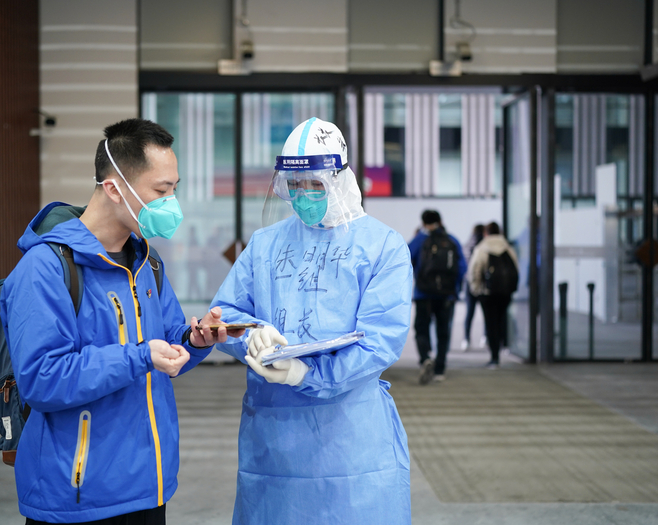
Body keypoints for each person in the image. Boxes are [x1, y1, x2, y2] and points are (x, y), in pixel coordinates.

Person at [0, 118, 241, 524]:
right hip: (78, 498)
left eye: (175, 189)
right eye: (161, 191)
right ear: (113, 188)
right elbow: (43, 379)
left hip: (149, 489)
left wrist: (197, 339)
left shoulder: (146, 261)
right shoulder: (45, 269)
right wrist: (140, 356)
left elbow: (167, 343)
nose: (172, 203)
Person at [208, 118, 413, 524]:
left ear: (340, 179)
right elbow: (225, 313)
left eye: (315, 185)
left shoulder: (381, 246)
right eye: (295, 186)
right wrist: (252, 338)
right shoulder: (266, 243)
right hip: (274, 436)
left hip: (351, 434)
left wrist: (304, 373)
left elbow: (379, 341)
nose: (303, 196)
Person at [408, 210, 467, 384]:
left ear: (423, 223)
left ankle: (425, 358)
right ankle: (440, 369)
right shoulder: (452, 240)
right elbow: (462, 267)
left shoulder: (420, 240)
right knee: (443, 332)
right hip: (446, 295)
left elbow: (404, 258)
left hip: (423, 294)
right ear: (441, 221)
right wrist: (454, 289)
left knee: (421, 329)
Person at [467, 221, 519, 369]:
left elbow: (475, 270)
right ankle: (503, 346)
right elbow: (516, 268)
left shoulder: (482, 248)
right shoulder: (508, 248)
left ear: (486, 233)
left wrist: (476, 289)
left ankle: (494, 357)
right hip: (505, 292)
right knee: (501, 319)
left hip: (487, 293)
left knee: (491, 323)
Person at [460, 224, 486, 351]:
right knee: (486, 312)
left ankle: (466, 339)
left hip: (468, 283)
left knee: (469, 313)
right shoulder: (483, 246)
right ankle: (485, 337)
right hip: (482, 283)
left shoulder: (467, 245)